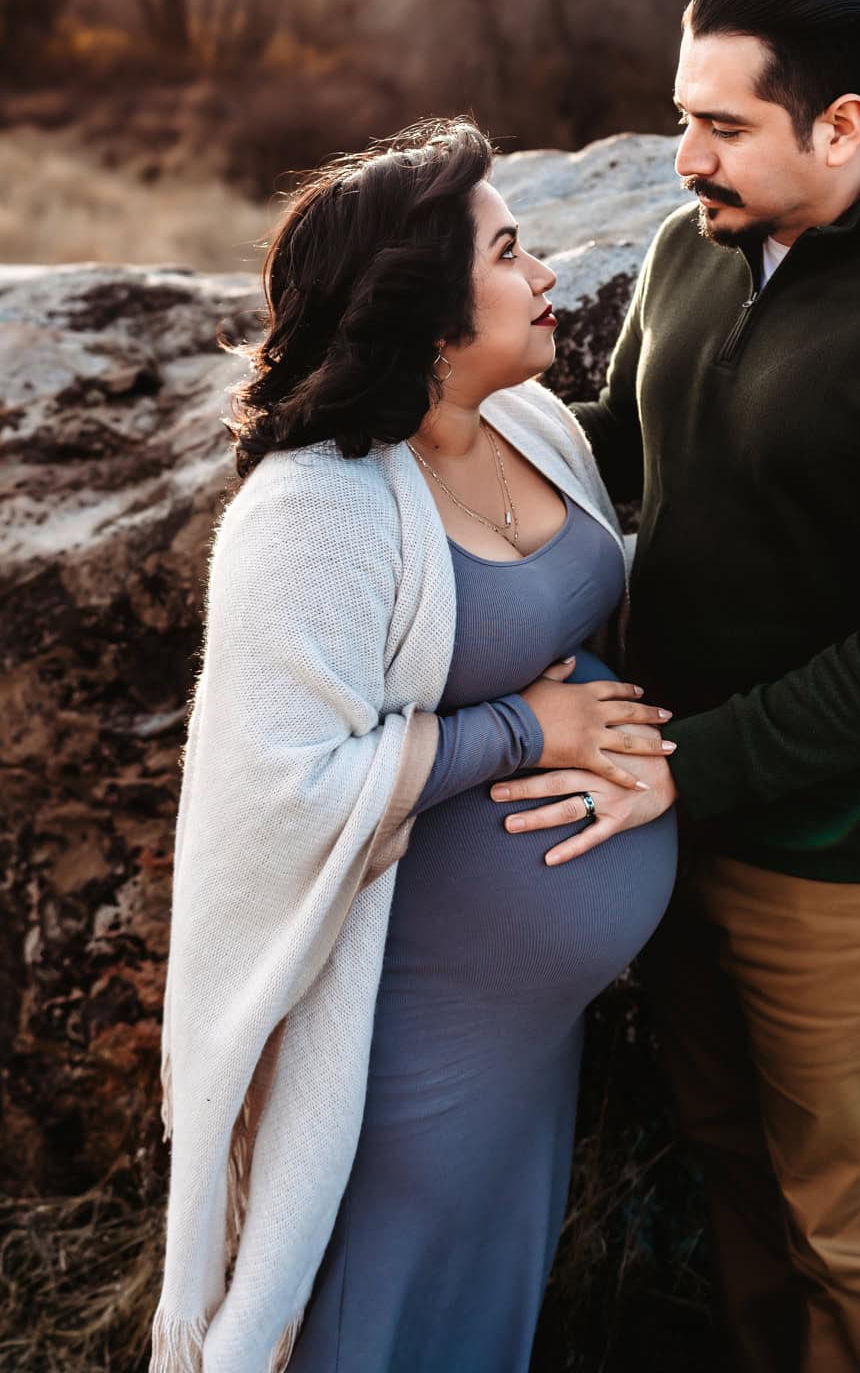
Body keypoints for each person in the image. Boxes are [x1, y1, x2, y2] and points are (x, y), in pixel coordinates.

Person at [491, 0, 860, 1373]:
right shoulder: (694, 251)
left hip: (839, 857)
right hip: (668, 824)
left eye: (722, 126)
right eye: (683, 115)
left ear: (841, 126)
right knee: (728, 1163)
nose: (684, 158)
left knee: (847, 1227)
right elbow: (623, 459)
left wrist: (681, 766)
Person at [150, 119, 678, 1373]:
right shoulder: (316, 508)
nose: (546, 271)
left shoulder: (532, 422)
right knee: (373, 1311)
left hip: (526, 1026)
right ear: (431, 315)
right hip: (404, 1021)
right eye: (510, 250)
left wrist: (649, 742)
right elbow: (289, 784)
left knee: (478, 1298)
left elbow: (581, 604)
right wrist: (525, 731)